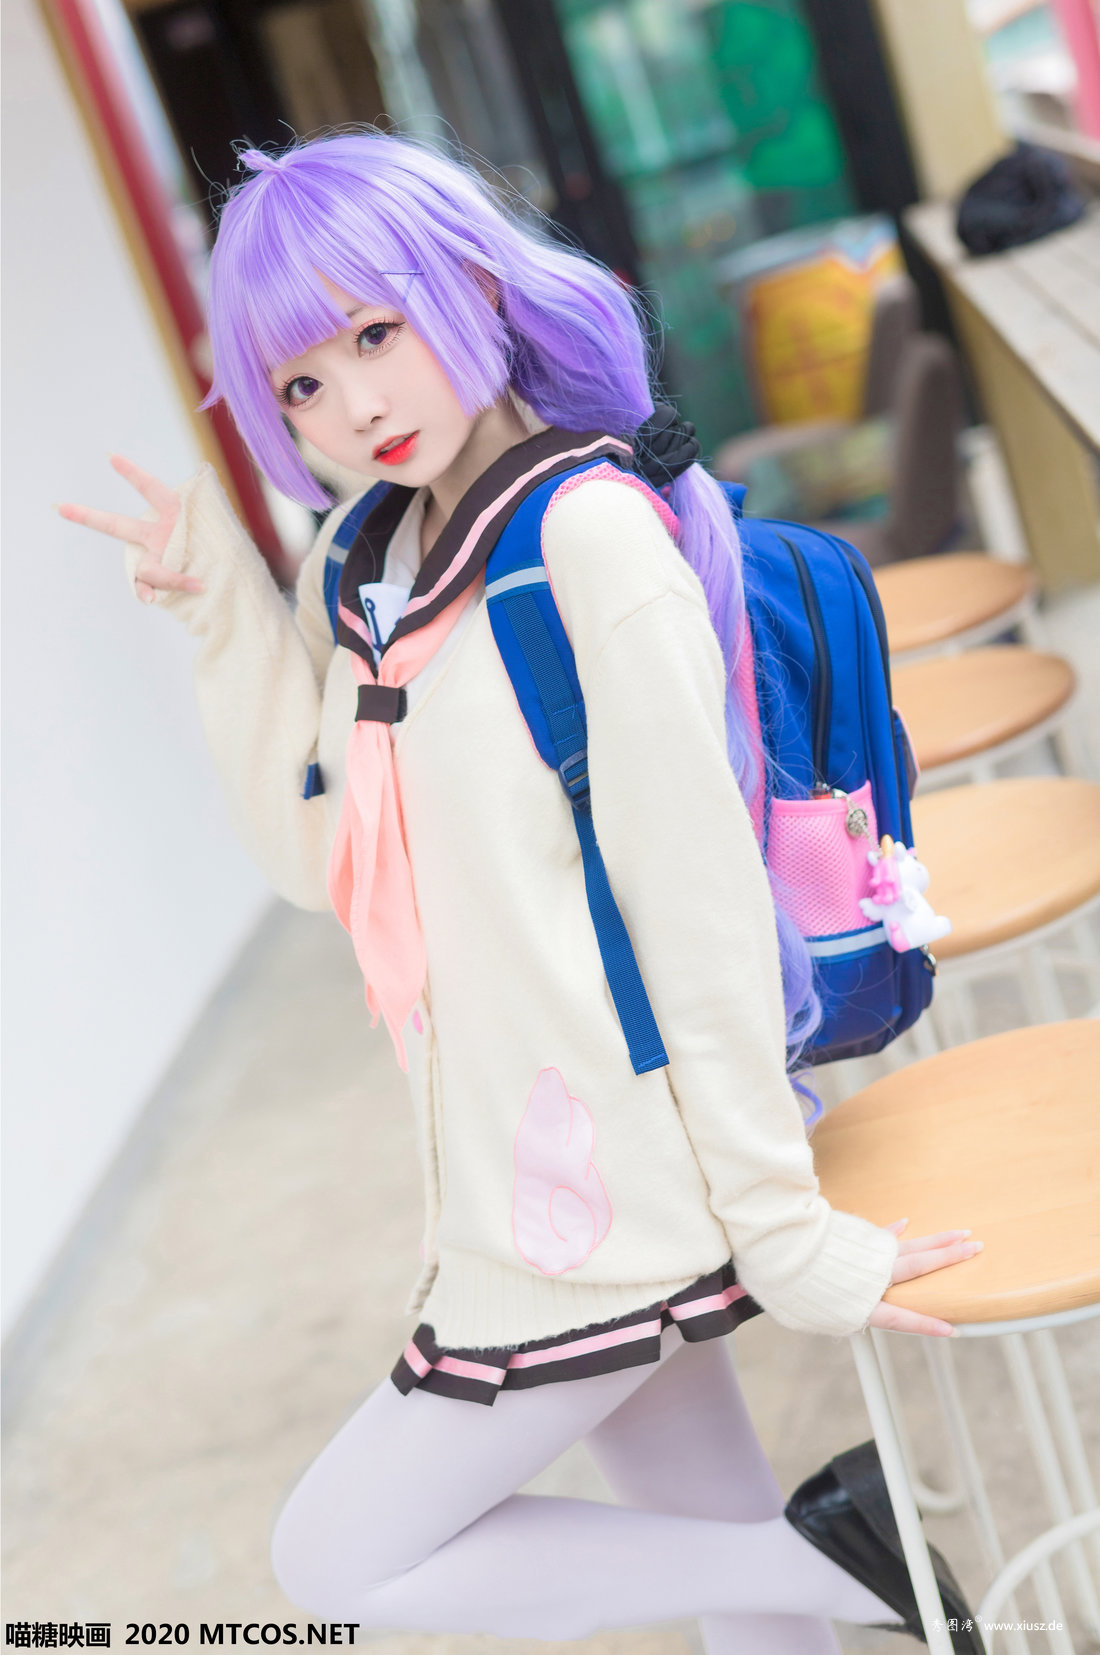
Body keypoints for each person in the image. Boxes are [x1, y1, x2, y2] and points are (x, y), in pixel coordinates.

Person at [59, 131, 984, 1650]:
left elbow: (697, 910)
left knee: (340, 1557)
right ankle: (813, 1578)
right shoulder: (371, 560)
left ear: (474, 288)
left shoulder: (586, 539)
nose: (356, 406)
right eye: (304, 383)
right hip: (521, 1180)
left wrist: (783, 1223)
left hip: (619, 1195)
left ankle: (838, 1568)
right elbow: (317, 863)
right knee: (723, 1566)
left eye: (377, 333)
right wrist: (228, 620)